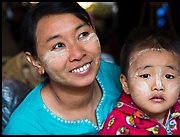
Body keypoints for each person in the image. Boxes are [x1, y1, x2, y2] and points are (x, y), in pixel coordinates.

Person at [3, 2, 122, 135]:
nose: (77, 54)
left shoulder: (117, 76)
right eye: (58, 45)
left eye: (83, 34)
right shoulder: (25, 129)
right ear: (36, 61)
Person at [99, 28, 180, 135]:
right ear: (126, 83)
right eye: (145, 75)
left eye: (169, 76)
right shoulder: (118, 126)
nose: (158, 86)